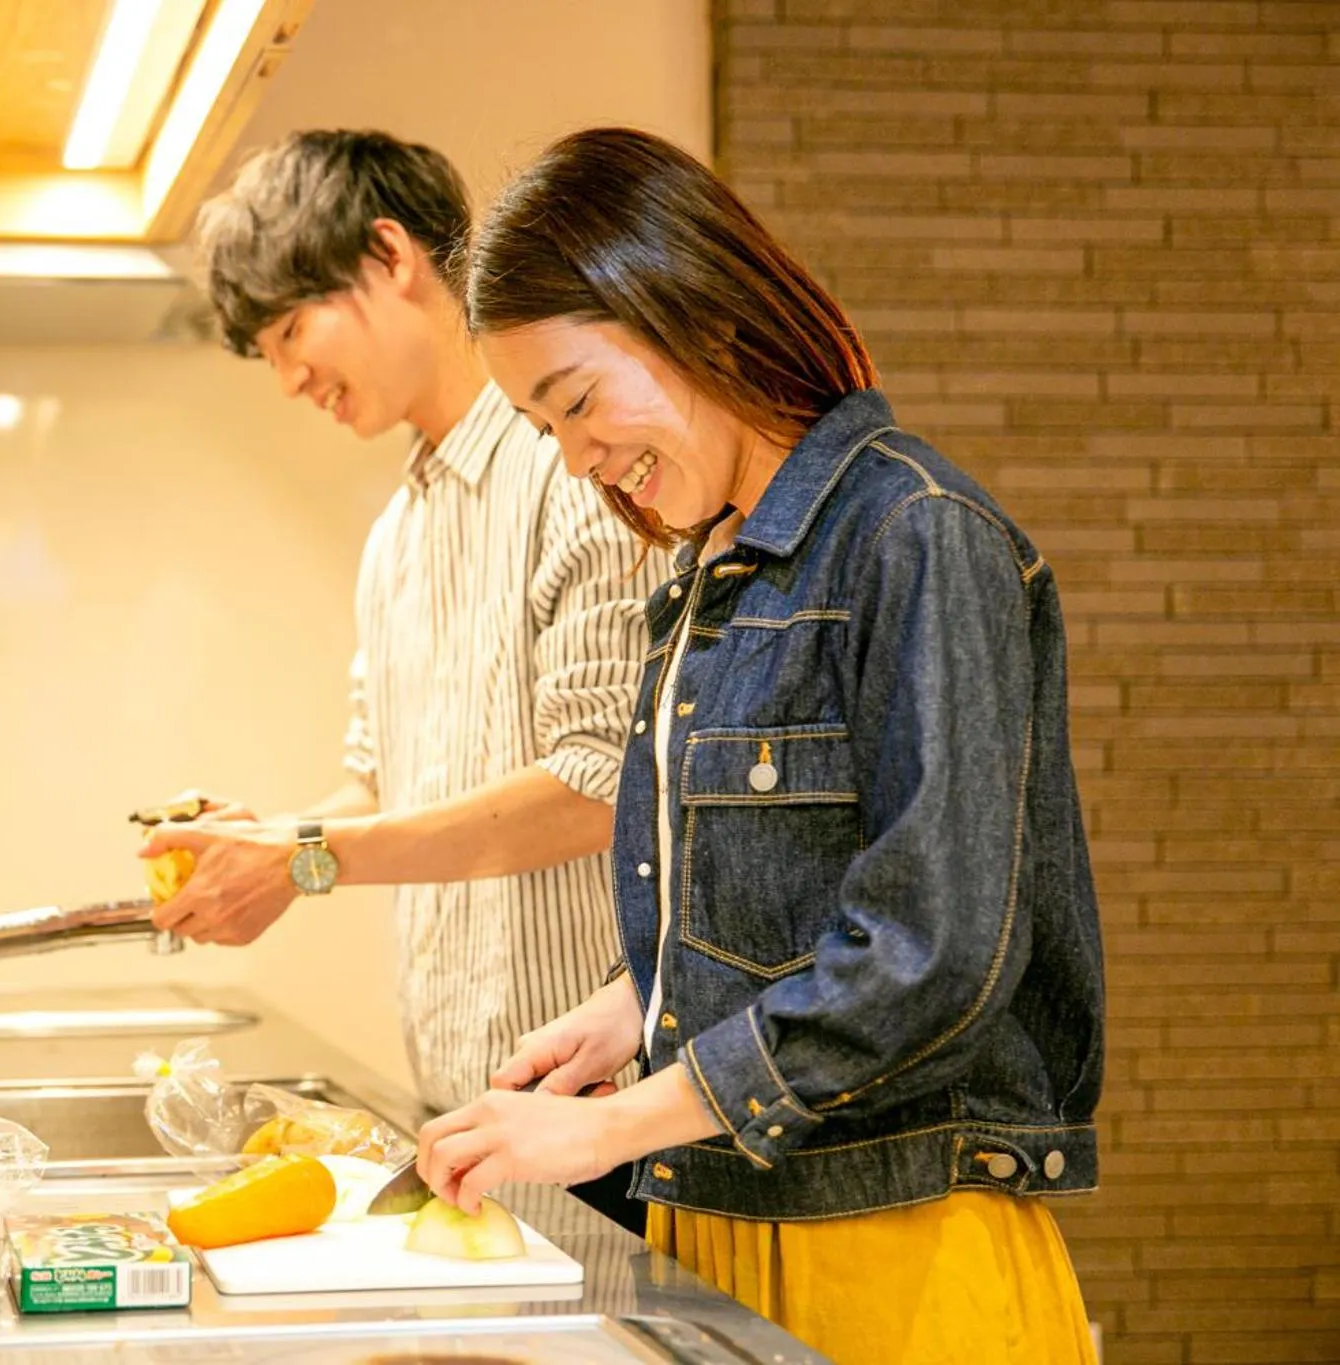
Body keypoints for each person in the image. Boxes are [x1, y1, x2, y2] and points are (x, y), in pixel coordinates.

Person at [417, 126, 1104, 1363]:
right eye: (542, 428)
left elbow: (930, 956)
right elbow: (804, 892)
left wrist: (616, 1124)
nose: (577, 459)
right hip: (727, 1211)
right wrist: (642, 1003)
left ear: (692, 312)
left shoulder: (916, 533)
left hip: (897, 1241)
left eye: (576, 402)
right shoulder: (707, 574)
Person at [137, 130, 668, 1118]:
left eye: (292, 332)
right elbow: (379, 784)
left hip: (600, 1108)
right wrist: (269, 842)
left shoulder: (571, 471)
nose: (289, 380)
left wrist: (305, 856)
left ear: (389, 257)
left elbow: (595, 788)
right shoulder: (396, 537)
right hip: (460, 1097)